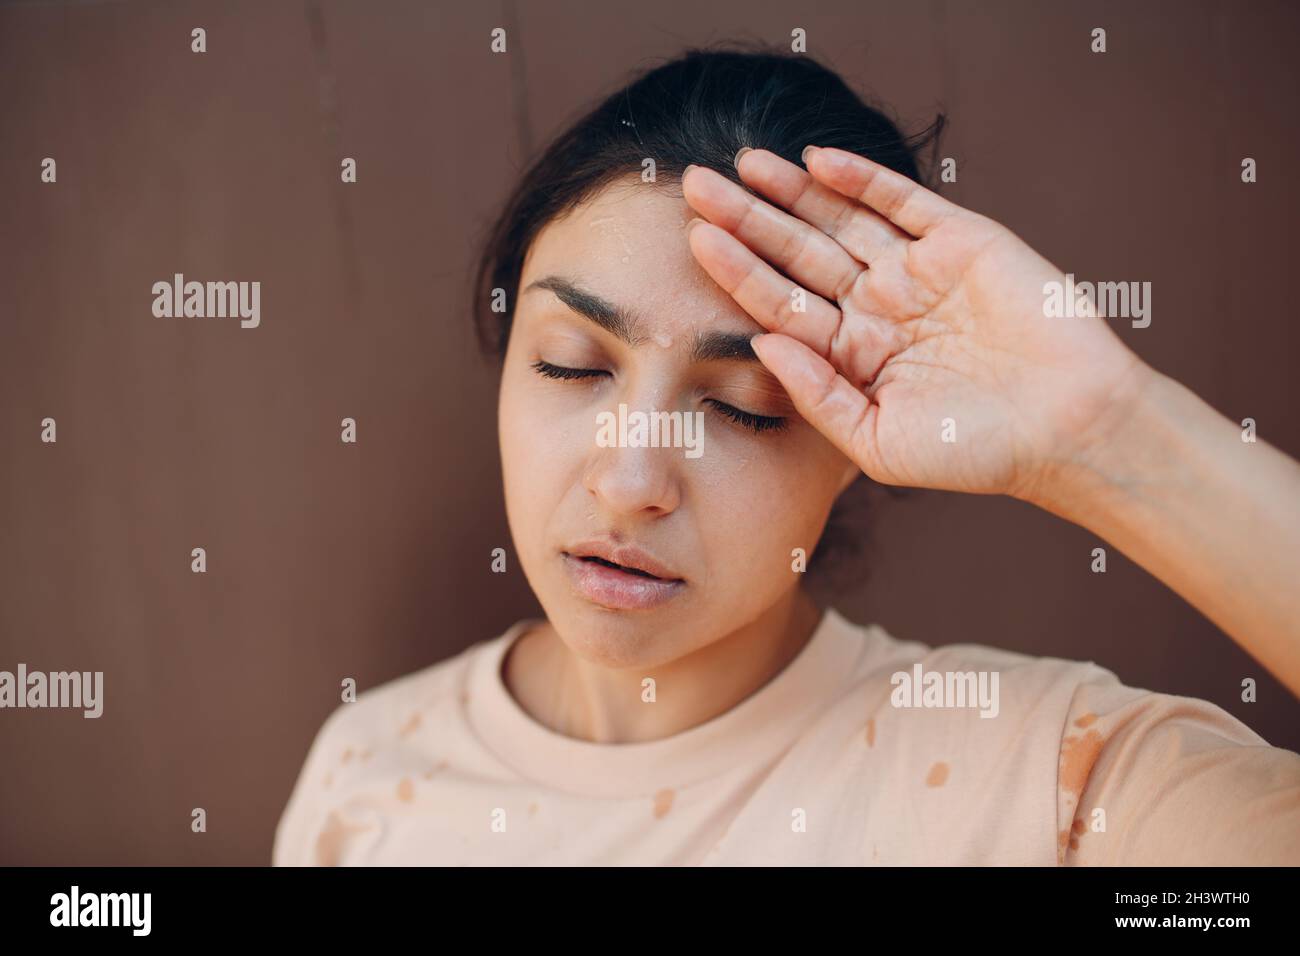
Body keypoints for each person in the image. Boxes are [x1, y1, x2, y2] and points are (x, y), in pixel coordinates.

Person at [273, 47, 1300, 866]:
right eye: (573, 366)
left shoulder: (1048, 781)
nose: (630, 483)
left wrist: (1106, 430)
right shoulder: (367, 775)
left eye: (745, 407)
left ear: (859, 439)